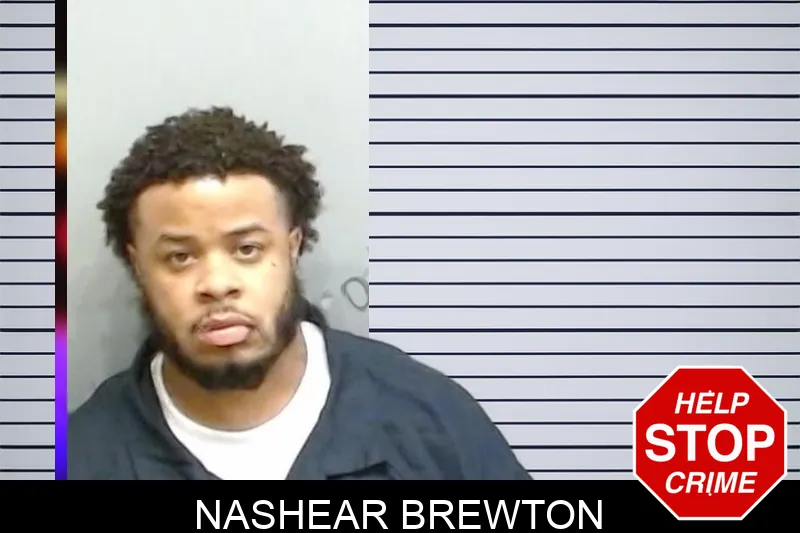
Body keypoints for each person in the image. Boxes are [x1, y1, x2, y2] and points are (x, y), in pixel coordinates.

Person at [67, 107, 531, 480]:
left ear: (293, 247)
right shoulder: (85, 455)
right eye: (180, 257)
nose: (217, 283)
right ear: (137, 266)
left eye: (247, 249)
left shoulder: (428, 420)